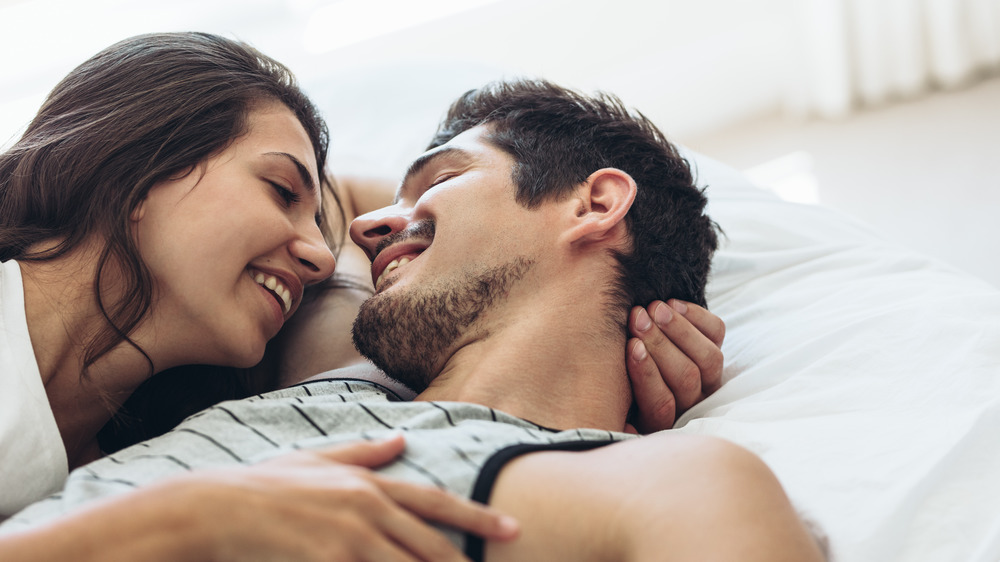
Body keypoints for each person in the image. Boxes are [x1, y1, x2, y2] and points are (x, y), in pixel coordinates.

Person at [3, 79, 825, 561]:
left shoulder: (665, 480)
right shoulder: (333, 361)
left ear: (596, 202)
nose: (346, 242)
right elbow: (293, 194)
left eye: (439, 178)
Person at [0, 32, 523, 560]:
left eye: (318, 223)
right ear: (137, 166)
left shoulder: (113, 464)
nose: (321, 257)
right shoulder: (161, 504)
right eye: (281, 191)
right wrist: (175, 520)